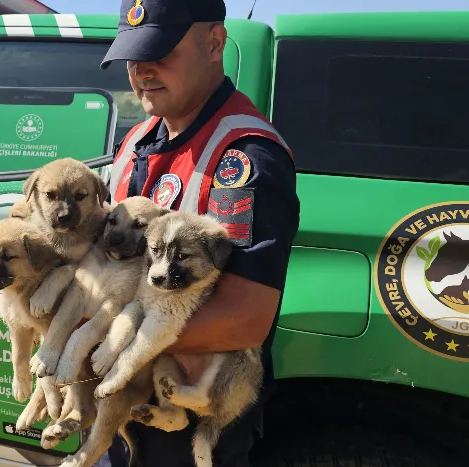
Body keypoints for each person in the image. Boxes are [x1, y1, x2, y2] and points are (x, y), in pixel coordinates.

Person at [96, 0, 300, 466]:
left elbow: (244, 318)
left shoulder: (244, 156)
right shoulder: (139, 138)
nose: (142, 70)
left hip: (191, 414)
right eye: (133, 56)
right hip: (127, 401)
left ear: (214, 43)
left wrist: (100, 337)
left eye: (161, 51)